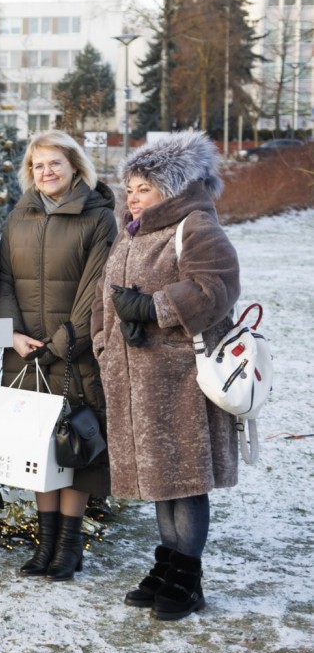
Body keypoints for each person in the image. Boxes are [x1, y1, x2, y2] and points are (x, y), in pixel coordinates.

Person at [92, 131, 241, 621]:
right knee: (159, 479)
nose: (133, 197)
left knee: (185, 479)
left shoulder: (195, 224)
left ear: (171, 189)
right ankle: (167, 564)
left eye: (144, 188)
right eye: (130, 188)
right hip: (133, 379)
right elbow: (104, 297)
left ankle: (186, 577)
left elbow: (217, 287)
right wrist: (104, 342)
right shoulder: (131, 232)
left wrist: (153, 308)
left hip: (179, 380)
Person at [0, 130, 117, 581]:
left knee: (75, 447)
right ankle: (44, 544)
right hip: (25, 354)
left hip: (75, 356)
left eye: (54, 163)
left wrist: (65, 342)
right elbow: (3, 279)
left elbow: (97, 288)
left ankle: (69, 547)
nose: (46, 172)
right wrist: (12, 332)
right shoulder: (18, 217)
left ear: (75, 167)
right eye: (38, 165)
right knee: (38, 449)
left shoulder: (98, 218)